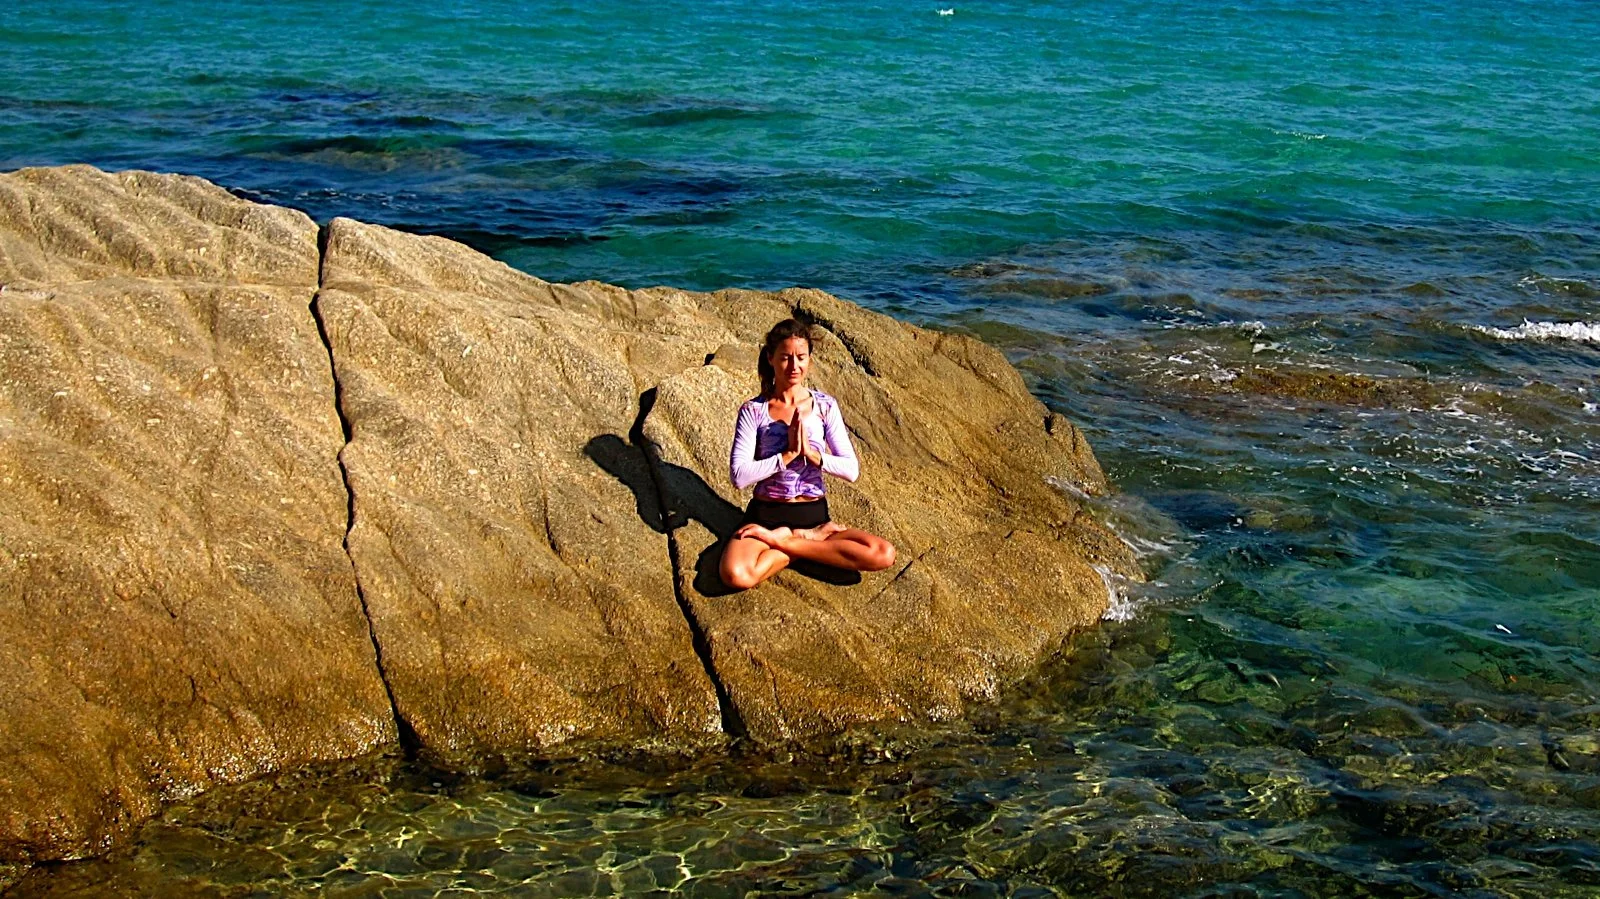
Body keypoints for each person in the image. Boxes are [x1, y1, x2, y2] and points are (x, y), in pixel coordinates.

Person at [719, 318, 897, 590]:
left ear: (810, 360)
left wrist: (814, 455)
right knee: (736, 575)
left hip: (813, 517)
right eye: (785, 358)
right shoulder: (753, 411)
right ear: (770, 359)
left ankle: (786, 541)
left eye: (801, 358)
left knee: (883, 553)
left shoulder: (824, 406)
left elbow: (851, 470)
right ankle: (799, 544)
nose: (794, 366)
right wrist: (788, 455)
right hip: (765, 515)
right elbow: (739, 476)